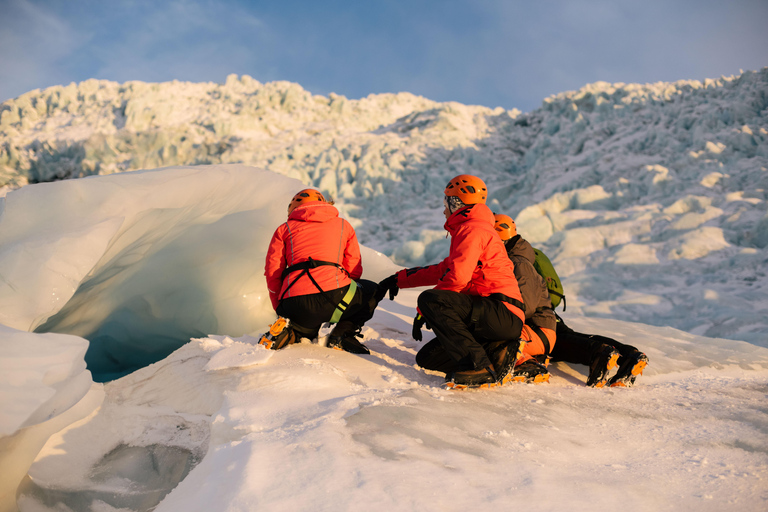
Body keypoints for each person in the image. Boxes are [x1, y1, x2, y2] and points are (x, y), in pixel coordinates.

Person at [376, 174, 526, 389]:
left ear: (456, 202)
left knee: (432, 299)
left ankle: (478, 366)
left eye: (446, 202)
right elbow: (443, 269)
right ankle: (496, 353)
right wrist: (398, 279)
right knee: (428, 359)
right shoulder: (474, 228)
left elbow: (457, 277)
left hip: (500, 310)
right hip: (495, 313)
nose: (443, 209)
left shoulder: (472, 229)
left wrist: (424, 309)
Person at [495, 215, 648, 387]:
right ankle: (627, 354)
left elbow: (525, 301)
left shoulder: (516, 259)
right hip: (544, 311)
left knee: (563, 343)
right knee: (568, 337)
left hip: (536, 317)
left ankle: (603, 353)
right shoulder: (522, 250)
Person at [263, 189, 379, 354]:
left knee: (304, 326)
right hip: (336, 297)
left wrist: (280, 308)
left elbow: (273, 271)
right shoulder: (343, 225)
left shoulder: (284, 229)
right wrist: (343, 289)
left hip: (293, 303)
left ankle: (291, 331)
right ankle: (342, 334)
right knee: (372, 290)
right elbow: (354, 267)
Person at [492, 214, 556, 383]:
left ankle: (528, 364)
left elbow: (526, 306)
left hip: (538, 331)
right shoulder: (511, 261)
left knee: (490, 335)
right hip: (532, 329)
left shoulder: (519, 264)